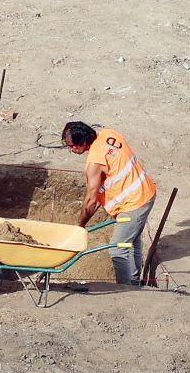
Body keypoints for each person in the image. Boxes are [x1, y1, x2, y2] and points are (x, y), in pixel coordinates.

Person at [61, 121, 157, 286]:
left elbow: (91, 200)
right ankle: (134, 283)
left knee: (117, 249)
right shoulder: (109, 134)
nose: (71, 150)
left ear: (83, 142)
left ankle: (126, 289)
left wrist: (81, 225)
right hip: (146, 192)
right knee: (132, 242)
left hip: (134, 203)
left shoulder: (94, 163)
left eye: (72, 146)